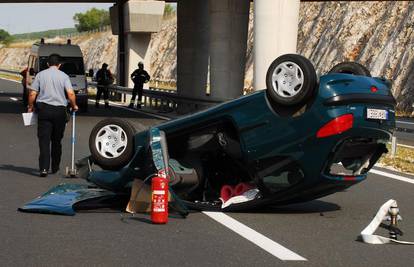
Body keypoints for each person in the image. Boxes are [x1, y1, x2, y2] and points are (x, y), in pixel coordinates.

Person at [27, 53, 78, 177]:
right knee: (56, 140)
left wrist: (30, 106)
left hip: (44, 110)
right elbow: (71, 94)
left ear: (48, 64)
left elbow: (32, 94)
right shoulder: (64, 76)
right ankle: (55, 167)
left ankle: (44, 168)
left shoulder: (40, 75)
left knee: (44, 141)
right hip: (60, 111)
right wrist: (74, 105)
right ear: (59, 65)